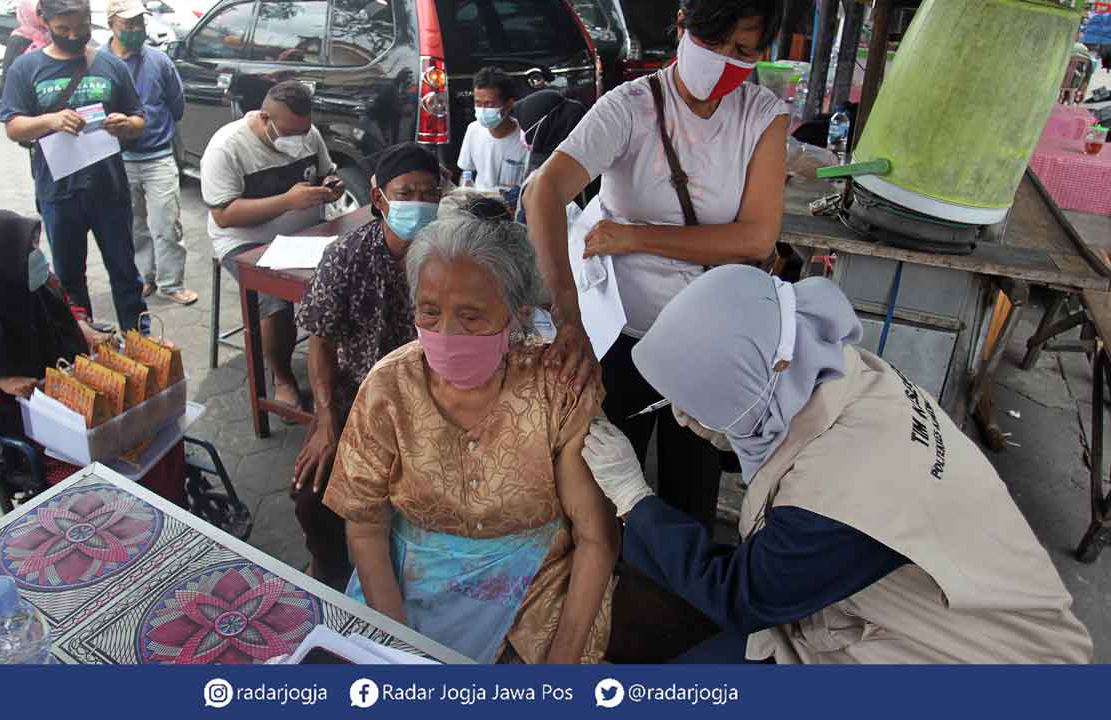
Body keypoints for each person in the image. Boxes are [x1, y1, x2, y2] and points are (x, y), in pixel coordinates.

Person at [581, 265, 1095, 664]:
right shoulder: (829, 365)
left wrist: (633, 497)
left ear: (750, 392)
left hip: (974, 663)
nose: (682, 417)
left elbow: (740, 596)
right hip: (940, 600)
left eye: (696, 403)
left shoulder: (842, 495)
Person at [522, 0, 789, 534]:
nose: (723, 61)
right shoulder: (632, 106)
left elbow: (756, 236)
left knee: (692, 491)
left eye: (742, 51)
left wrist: (633, 235)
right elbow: (543, 192)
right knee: (598, 490)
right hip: (624, 336)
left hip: (710, 345)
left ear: (761, 54)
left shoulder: (762, 115)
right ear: (683, 26)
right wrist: (568, 314)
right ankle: (599, 594)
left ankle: (681, 601)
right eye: (712, 44)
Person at [322, 216, 618, 664]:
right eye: (429, 312)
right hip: (407, 582)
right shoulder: (388, 387)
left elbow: (597, 539)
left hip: (530, 589)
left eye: (471, 316)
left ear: (517, 315)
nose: (447, 333)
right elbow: (365, 524)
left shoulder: (558, 390)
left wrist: (560, 668)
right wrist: (402, 648)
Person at [0, 210, 186, 504]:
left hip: (71, 391)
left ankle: (172, 509)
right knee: (101, 472)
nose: (38, 257)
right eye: (28, 251)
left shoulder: (42, 285)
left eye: (34, 246)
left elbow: (69, 307)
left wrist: (85, 330)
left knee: (156, 436)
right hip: (18, 418)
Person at [289, 143, 442, 590]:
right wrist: (324, 417)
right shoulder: (348, 257)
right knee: (311, 493)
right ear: (379, 199)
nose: (419, 202)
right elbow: (320, 339)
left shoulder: (449, 257)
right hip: (356, 399)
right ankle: (330, 572)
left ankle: (396, 579)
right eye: (407, 191)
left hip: (430, 399)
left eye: (429, 193)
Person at [0, 0, 149, 331]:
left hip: (109, 189)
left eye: (80, 28)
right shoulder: (26, 69)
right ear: (45, 22)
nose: (73, 35)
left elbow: (139, 118)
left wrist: (127, 124)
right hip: (58, 192)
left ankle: (140, 340)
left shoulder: (110, 65)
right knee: (69, 279)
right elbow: (12, 126)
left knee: (125, 272)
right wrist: (49, 120)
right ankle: (82, 345)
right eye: (63, 29)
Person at [201, 80, 343, 409]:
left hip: (305, 234)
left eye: (304, 130)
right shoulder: (227, 148)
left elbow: (325, 173)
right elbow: (224, 216)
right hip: (247, 242)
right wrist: (288, 201)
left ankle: (340, 362)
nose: (299, 139)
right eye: (290, 131)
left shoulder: (309, 134)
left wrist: (329, 186)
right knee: (274, 297)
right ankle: (282, 376)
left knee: (349, 270)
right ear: (265, 118)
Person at [102, 0, 197, 306]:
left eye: (139, 24)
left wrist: (155, 126)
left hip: (157, 156)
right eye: (127, 25)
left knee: (167, 224)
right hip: (118, 159)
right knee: (134, 224)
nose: (135, 30)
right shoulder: (98, 62)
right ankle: (145, 277)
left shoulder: (158, 61)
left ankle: (172, 283)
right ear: (111, 25)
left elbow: (177, 104)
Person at [457, 66, 529, 192]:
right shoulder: (473, 130)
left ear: (508, 105)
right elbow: (466, 173)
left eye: (489, 104)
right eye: (478, 103)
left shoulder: (525, 138)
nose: (483, 110)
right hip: (480, 203)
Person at [3, 0, 50, 77]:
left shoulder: (54, 33)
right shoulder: (18, 39)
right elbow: (8, 73)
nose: (43, 16)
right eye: (39, 12)